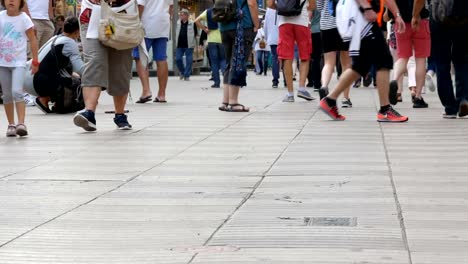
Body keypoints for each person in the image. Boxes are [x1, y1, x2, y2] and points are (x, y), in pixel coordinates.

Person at [319, 0, 408, 122]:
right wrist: (367, 8)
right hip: (361, 18)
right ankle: (385, 110)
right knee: (383, 60)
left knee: (361, 65)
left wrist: (397, 15)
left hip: (361, 18)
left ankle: (329, 101)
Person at [73, 0, 137, 131]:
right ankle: (89, 112)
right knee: (95, 61)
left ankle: (120, 114)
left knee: (120, 66)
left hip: (122, 16)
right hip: (93, 15)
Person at [413, 0, 468, 118]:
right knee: (462, 61)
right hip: (464, 18)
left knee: (442, 64)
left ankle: (450, 107)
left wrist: (415, 15)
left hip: (439, 19)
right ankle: (463, 98)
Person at [23, 16, 84, 114]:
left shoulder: (56, 37)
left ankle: (53, 100)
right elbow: (80, 68)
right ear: (77, 31)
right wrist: (96, 76)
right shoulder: (70, 43)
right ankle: (45, 98)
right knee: (75, 82)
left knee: (70, 77)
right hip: (37, 82)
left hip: (28, 78)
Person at [0, 0, 39, 137]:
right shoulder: (1, 16)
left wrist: (35, 60)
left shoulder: (24, 19)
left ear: (21, 2)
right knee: (7, 94)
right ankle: (11, 124)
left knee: (17, 91)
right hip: (2, 63)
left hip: (19, 62)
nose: (11, 1)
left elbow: (33, 39)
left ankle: (21, 123)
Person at [268, 0, 315, 103]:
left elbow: (270, 4)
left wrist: (284, 8)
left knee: (286, 56)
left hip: (284, 22)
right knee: (305, 55)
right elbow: (312, 5)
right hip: (302, 21)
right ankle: (302, 88)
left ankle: (290, 94)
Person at [388, 0, 431, 108]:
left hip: (400, 22)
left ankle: (394, 80)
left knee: (403, 58)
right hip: (420, 21)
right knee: (421, 59)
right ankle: (418, 97)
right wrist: (415, 15)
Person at [218, 0, 259, 112]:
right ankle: (233, 102)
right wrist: (256, 24)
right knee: (238, 62)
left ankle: (225, 101)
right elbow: (252, 4)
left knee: (229, 63)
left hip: (224, 26)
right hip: (241, 25)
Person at [133, 0, 173, 103]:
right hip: (163, 25)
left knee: (140, 57)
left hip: (146, 25)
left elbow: (140, 6)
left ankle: (146, 90)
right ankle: (162, 94)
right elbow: (171, 7)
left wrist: (135, 24)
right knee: (161, 59)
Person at [317, 0, 352, 107]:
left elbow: (319, 7)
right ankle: (345, 98)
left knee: (328, 62)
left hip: (326, 26)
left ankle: (324, 86)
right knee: (346, 64)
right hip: (345, 25)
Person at [195, 5, 227, 88]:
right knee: (223, 59)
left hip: (211, 39)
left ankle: (216, 83)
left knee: (214, 62)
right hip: (222, 39)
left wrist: (204, 29)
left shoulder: (208, 11)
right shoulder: (226, 10)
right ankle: (226, 79)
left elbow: (196, 21)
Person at [175, 8, 198, 81]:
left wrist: (196, 44)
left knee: (189, 60)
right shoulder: (178, 23)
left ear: (187, 15)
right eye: (180, 15)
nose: (180, 16)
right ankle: (182, 71)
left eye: (182, 15)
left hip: (189, 44)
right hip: (179, 44)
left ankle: (187, 75)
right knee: (178, 59)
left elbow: (196, 34)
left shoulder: (192, 23)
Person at [306, 9, 323, 91]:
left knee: (308, 58)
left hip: (309, 32)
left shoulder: (310, 3)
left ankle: (310, 81)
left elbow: (308, 16)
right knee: (317, 58)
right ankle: (317, 82)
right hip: (319, 31)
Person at [263, 6, 280, 88]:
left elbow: (265, 25)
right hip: (282, 37)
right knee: (286, 59)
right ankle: (287, 81)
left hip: (272, 38)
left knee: (274, 58)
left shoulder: (269, 9)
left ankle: (275, 81)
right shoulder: (284, 6)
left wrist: (266, 37)